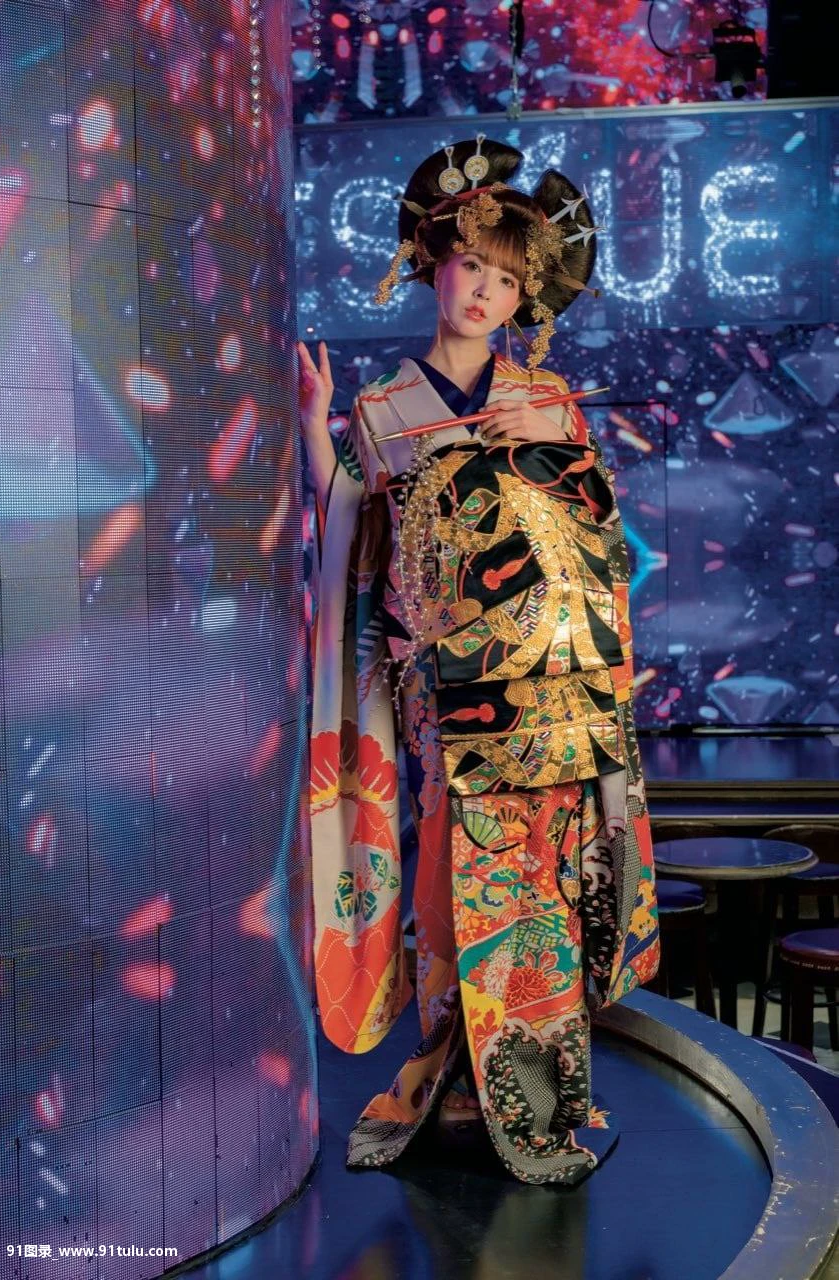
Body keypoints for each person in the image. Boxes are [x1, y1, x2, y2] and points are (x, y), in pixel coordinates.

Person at [298, 136, 659, 1187]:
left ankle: (537, 1093)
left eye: (505, 280)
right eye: (469, 267)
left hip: (548, 690)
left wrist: (594, 672)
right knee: (450, 883)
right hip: (442, 695)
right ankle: (458, 1079)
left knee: (540, 885)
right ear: (432, 266)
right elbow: (356, 540)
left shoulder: (548, 402)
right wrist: (319, 439)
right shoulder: (382, 410)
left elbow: (594, 552)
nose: (483, 293)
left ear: (521, 297)